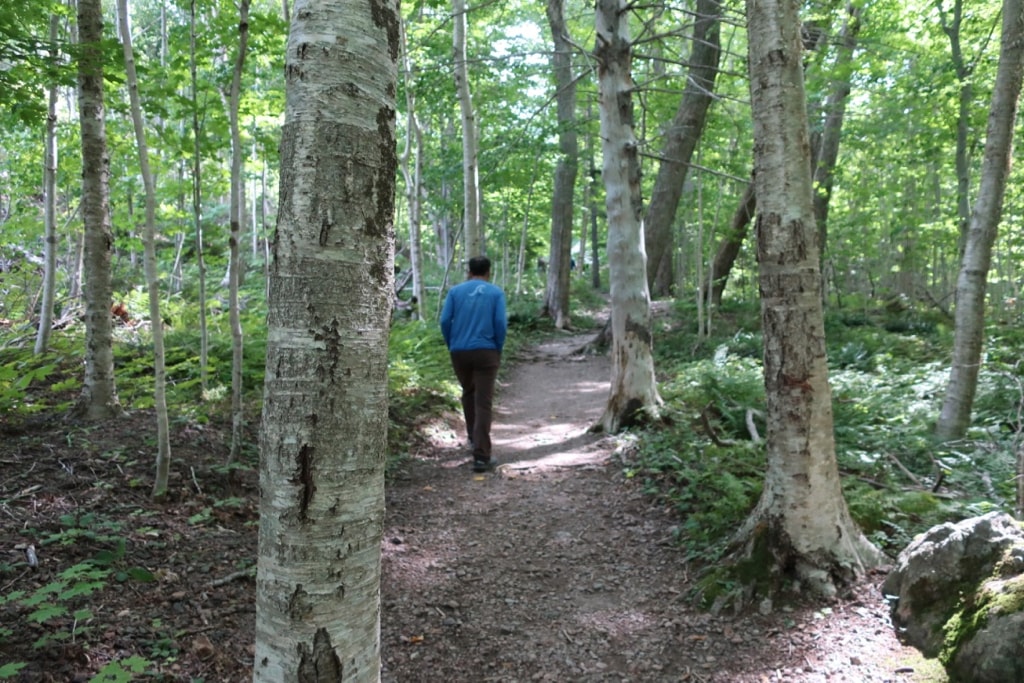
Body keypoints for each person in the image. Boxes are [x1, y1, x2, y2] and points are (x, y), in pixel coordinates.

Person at [440, 256, 507, 472]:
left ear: (469, 271)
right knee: (483, 402)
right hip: (486, 351)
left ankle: (472, 438)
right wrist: (497, 347)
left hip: (459, 351)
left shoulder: (455, 292)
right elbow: (500, 323)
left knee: (469, 392)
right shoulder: (495, 293)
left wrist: (452, 343)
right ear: (488, 272)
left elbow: (444, 321)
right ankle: (481, 456)